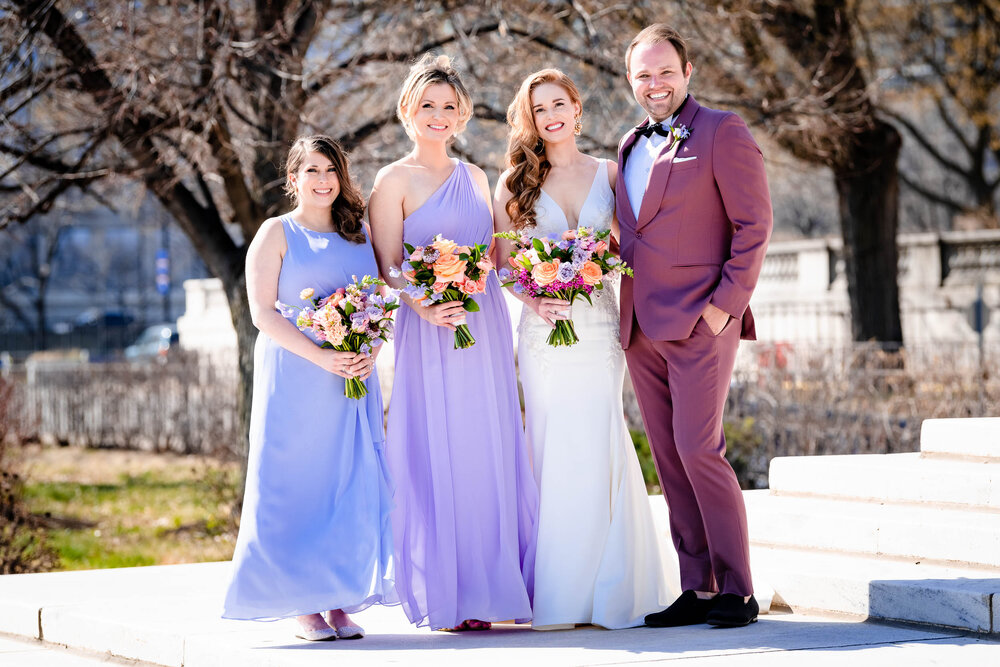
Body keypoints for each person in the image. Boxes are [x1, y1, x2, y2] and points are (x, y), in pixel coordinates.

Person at [494, 69, 679, 630]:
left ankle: (614, 584)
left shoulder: (611, 172)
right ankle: (559, 589)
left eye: (559, 103)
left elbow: (634, 244)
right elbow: (502, 267)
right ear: (529, 120)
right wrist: (535, 300)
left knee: (602, 433)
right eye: (538, 108)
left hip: (599, 330)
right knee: (550, 444)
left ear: (577, 109)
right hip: (544, 336)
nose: (550, 115)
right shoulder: (513, 184)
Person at [368, 54, 538, 632]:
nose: (437, 116)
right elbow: (387, 267)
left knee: (486, 445)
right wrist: (420, 298)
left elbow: (496, 255)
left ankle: (493, 584)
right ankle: (450, 591)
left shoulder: (476, 177)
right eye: (427, 106)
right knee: (438, 445)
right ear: (408, 111)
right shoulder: (391, 180)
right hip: (428, 331)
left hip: (482, 327)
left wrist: (558, 272)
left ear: (462, 113)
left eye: (448, 106)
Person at [616, 24, 772, 628]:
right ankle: (697, 586)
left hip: (701, 321)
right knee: (669, 455)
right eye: (643, 75)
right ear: (631, 81)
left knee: (699, 448)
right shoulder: (629, 144)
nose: (654, 84)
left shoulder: (721, 131)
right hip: (639, 327)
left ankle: (738, 588)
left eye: (664, 72)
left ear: (688, 73)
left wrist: (722, 309)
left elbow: (753, 227)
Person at [222, 135, 395, 641]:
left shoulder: (359, 234)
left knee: (344, 484)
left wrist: (369, 350)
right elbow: (262, 314)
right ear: (293, 179)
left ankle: (338, 598)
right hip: (297, 377)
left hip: (351, 381)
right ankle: (301, 604)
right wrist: (322, 355)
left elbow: (378, 301)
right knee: (294, 485)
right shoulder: (276, 233)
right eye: (312, 171)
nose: (322, 181)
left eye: (331, 171)